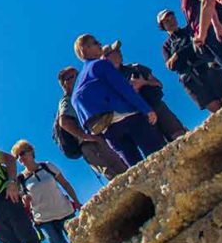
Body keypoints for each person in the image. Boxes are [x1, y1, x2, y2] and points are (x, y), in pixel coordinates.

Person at [70, 34, 166, 167]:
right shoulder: (100, 64)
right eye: (96, 43)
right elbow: (124, 88)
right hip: (129, 117)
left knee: (136, 168)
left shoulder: (78, 84)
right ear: (85, 49)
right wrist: (146, 109)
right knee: (159, 156)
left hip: (108, 130)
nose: (100, 45)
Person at [12, 140, 83, 243]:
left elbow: (65, 183)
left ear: (31, 152)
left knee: (80, 242)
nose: (20, 158)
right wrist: (25, 200)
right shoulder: (20, 179)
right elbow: (24, 202)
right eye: (17, 156)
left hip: (65, 211)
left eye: (22, 153)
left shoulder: (47, 166)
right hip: (44, 219)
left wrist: (76, 200)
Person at [55, 66, 130, 179]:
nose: (76, 78)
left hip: (99, 138)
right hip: (92, 144)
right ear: (64, 85)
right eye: (71, 77)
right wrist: (87, 137)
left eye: (77, 74)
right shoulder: (68, 100)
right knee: (117, 172)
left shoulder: (81, 93)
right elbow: (63, 121)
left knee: (123, 167)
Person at [157, 9, 222, 113]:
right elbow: (171, 66)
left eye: (172, 18)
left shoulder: (189, 30)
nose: (171, 22)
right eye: (167, 21)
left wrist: (178, 54)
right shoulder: (166, 46)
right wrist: (188, 50)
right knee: (215, 109)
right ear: (162, 26)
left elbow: (199, 42)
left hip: (208, 67)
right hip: (191, 79)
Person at [117, 60, 187, 141]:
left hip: (157, 105)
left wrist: (143, 82)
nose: (118, 55)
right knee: (159, 145)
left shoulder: (135, 68)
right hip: (140, 116)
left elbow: (158, 83)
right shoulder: (112, 80)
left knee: (178, 134)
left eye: (118, 52)